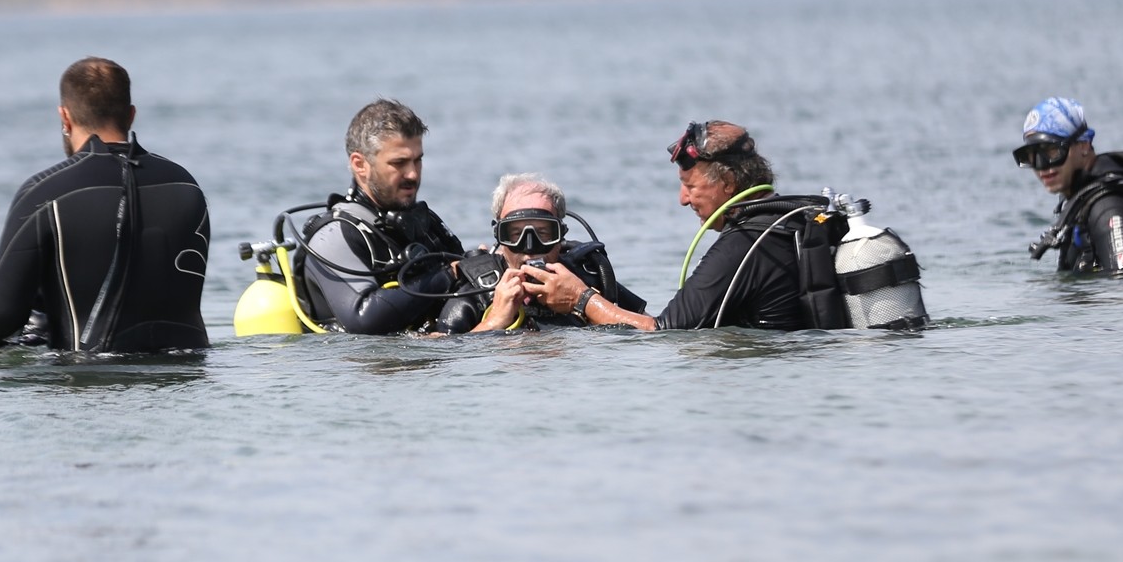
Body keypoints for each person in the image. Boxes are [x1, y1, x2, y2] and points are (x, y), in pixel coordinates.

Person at [0, 57, 210, 352]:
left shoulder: (45, 191)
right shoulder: (186, 185)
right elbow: (141, 285)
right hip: (185, 380)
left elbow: (1, 318)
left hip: (90, 381)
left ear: (65, 117)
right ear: (131, 115)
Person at [523, 120, 817, 331]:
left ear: (727, 183)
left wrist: (581, 298)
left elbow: (663, 332)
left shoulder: (745, 243)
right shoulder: (790, 222)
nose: (683, 199)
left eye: (690, 185)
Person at [292, 98, 515, 334]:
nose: (412, 174)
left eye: (417, 160)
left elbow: (462, 271)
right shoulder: (335, 235)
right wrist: (449, 274)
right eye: (399, 163)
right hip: (361, 368)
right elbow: (364, 320)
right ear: (360, 165)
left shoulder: (424, 222)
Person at [437, 173, 646, 332]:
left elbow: (656, 330)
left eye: (544, 233)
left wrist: (584, 301)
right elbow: (439, 353)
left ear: (561, 235)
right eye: (516, 234)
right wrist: (495, 320)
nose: (529, 247)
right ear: (499, 238)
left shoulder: (588, 277)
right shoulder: (475, 294)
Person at [1014, 97, 1123, 275]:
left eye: (1052, 152)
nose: (1043, 167)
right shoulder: (1081, 203)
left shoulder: (1109, 208)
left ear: (1084, 145)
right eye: (1032, 155)